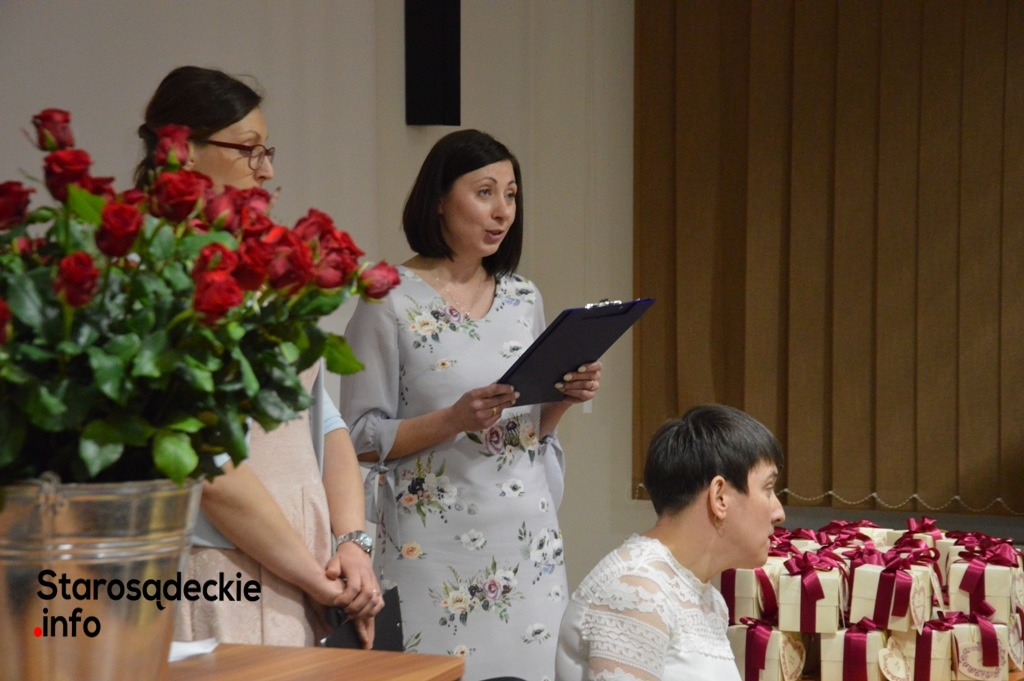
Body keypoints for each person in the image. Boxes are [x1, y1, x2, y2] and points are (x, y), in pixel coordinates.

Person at [337, 129, 602, 679]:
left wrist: (562, 399)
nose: (502, 211)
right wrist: (452, 420)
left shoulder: (523, 296)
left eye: (511, 194)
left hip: (527, 543)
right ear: (439, 199)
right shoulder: (387, 297)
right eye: (485, 192)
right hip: (431, 552)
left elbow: (526, 432)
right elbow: (357, 438)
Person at [134, 65, 382, 647]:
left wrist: (352, 544)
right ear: (181, 151)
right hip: (220, 569)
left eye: (267, 151)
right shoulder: (152, 278)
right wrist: (314, 579)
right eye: (247, 150)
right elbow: (208, 465)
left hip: (310, 568)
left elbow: (322, 417)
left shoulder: (264, 271)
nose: (265, 170)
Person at [555, 404, 786, 681]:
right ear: (720, 497)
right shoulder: (635, 589)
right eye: (768, 489)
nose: (779, 513)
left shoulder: (707, 598)